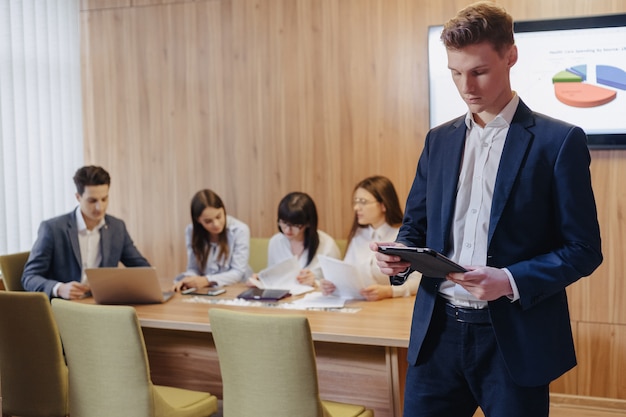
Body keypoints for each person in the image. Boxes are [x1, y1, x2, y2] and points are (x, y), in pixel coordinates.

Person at [372, 2, 603, 416]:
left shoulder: (559, 142)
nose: (466, 86)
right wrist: (400, 258)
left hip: (514, 339)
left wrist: (509, 279)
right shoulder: (438, 141)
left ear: (510, 56)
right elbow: (416, 226)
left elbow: (583, 249)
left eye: (479, 71)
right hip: (436, 334)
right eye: (455, 73)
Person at [21, 165, 150, 299]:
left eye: (104, 199)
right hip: (65, 306)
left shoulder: (117, 227)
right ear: (78, 197)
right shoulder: (53, 229)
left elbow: (143, 269)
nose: (100, 207)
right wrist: (59, 288)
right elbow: (29, 277)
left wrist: (174, 282)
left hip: (101, 304)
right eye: (92, 201)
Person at [321, 175, 419, 301]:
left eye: (363, 202)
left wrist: (390, 291)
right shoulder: (358, 235)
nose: (356, 208)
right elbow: (346, 272)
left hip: (390, 307)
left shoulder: (404, 237)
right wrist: (331, 285)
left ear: (384, 205)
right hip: (359, 305)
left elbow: (418, 280)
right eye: (355, 201)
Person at [173, 189, 251, 291]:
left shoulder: (240, 230)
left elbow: (237, 272)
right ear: (198, 220)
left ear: (223, 210)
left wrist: (206, 280)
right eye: (208, 221)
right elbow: (193, 268)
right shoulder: (191, 231)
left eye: (219, 216)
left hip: (237, 287)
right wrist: (188, 280)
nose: (216, 224)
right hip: (207, 289)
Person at [265, 191, 341, 286]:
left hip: (315, 299)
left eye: (295, 225)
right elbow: (273, 279)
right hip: (284, 299)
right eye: (284, 222)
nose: (288, 229)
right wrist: (261, 280)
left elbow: (339, 284)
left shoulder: (327, 245)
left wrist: (315, 283)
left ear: (308, 223)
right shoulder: (275, 242)